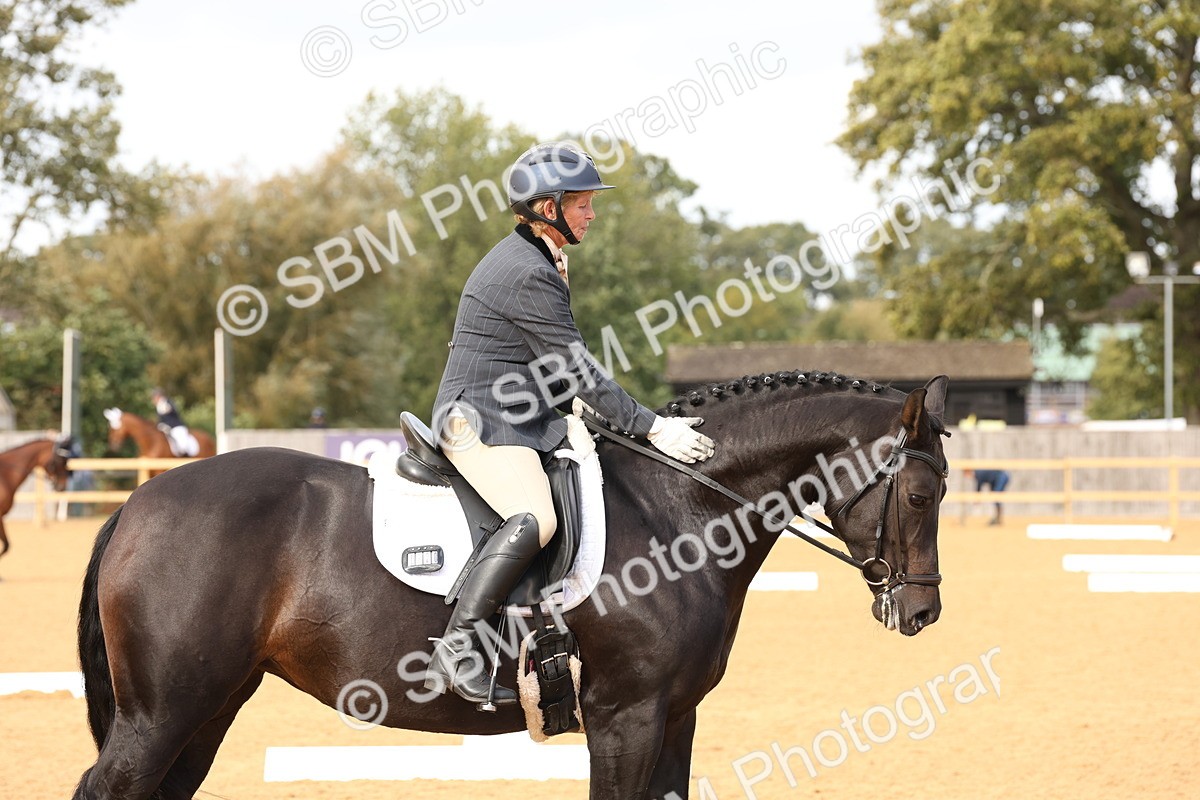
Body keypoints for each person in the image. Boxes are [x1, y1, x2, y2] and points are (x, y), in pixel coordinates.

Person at [424, 142, 716, 709]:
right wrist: (652, 428)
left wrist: (574, 406)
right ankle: (458, 647)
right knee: (535, 517)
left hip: (516, 412)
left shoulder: (542, 258)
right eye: (582, 204)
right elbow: (577, 364)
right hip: (474, 419)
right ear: (548, 206)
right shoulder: (525, 270)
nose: (592, 214)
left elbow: (542, 359)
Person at [151, 388, 194, 457]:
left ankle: (185, 454)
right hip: (166, 429)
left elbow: (173, 411)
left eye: (154, 397)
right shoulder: (158, 407)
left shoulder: (168, 403)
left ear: (159, 396)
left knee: (182, 446)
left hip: (176, 427)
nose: (153, 400)